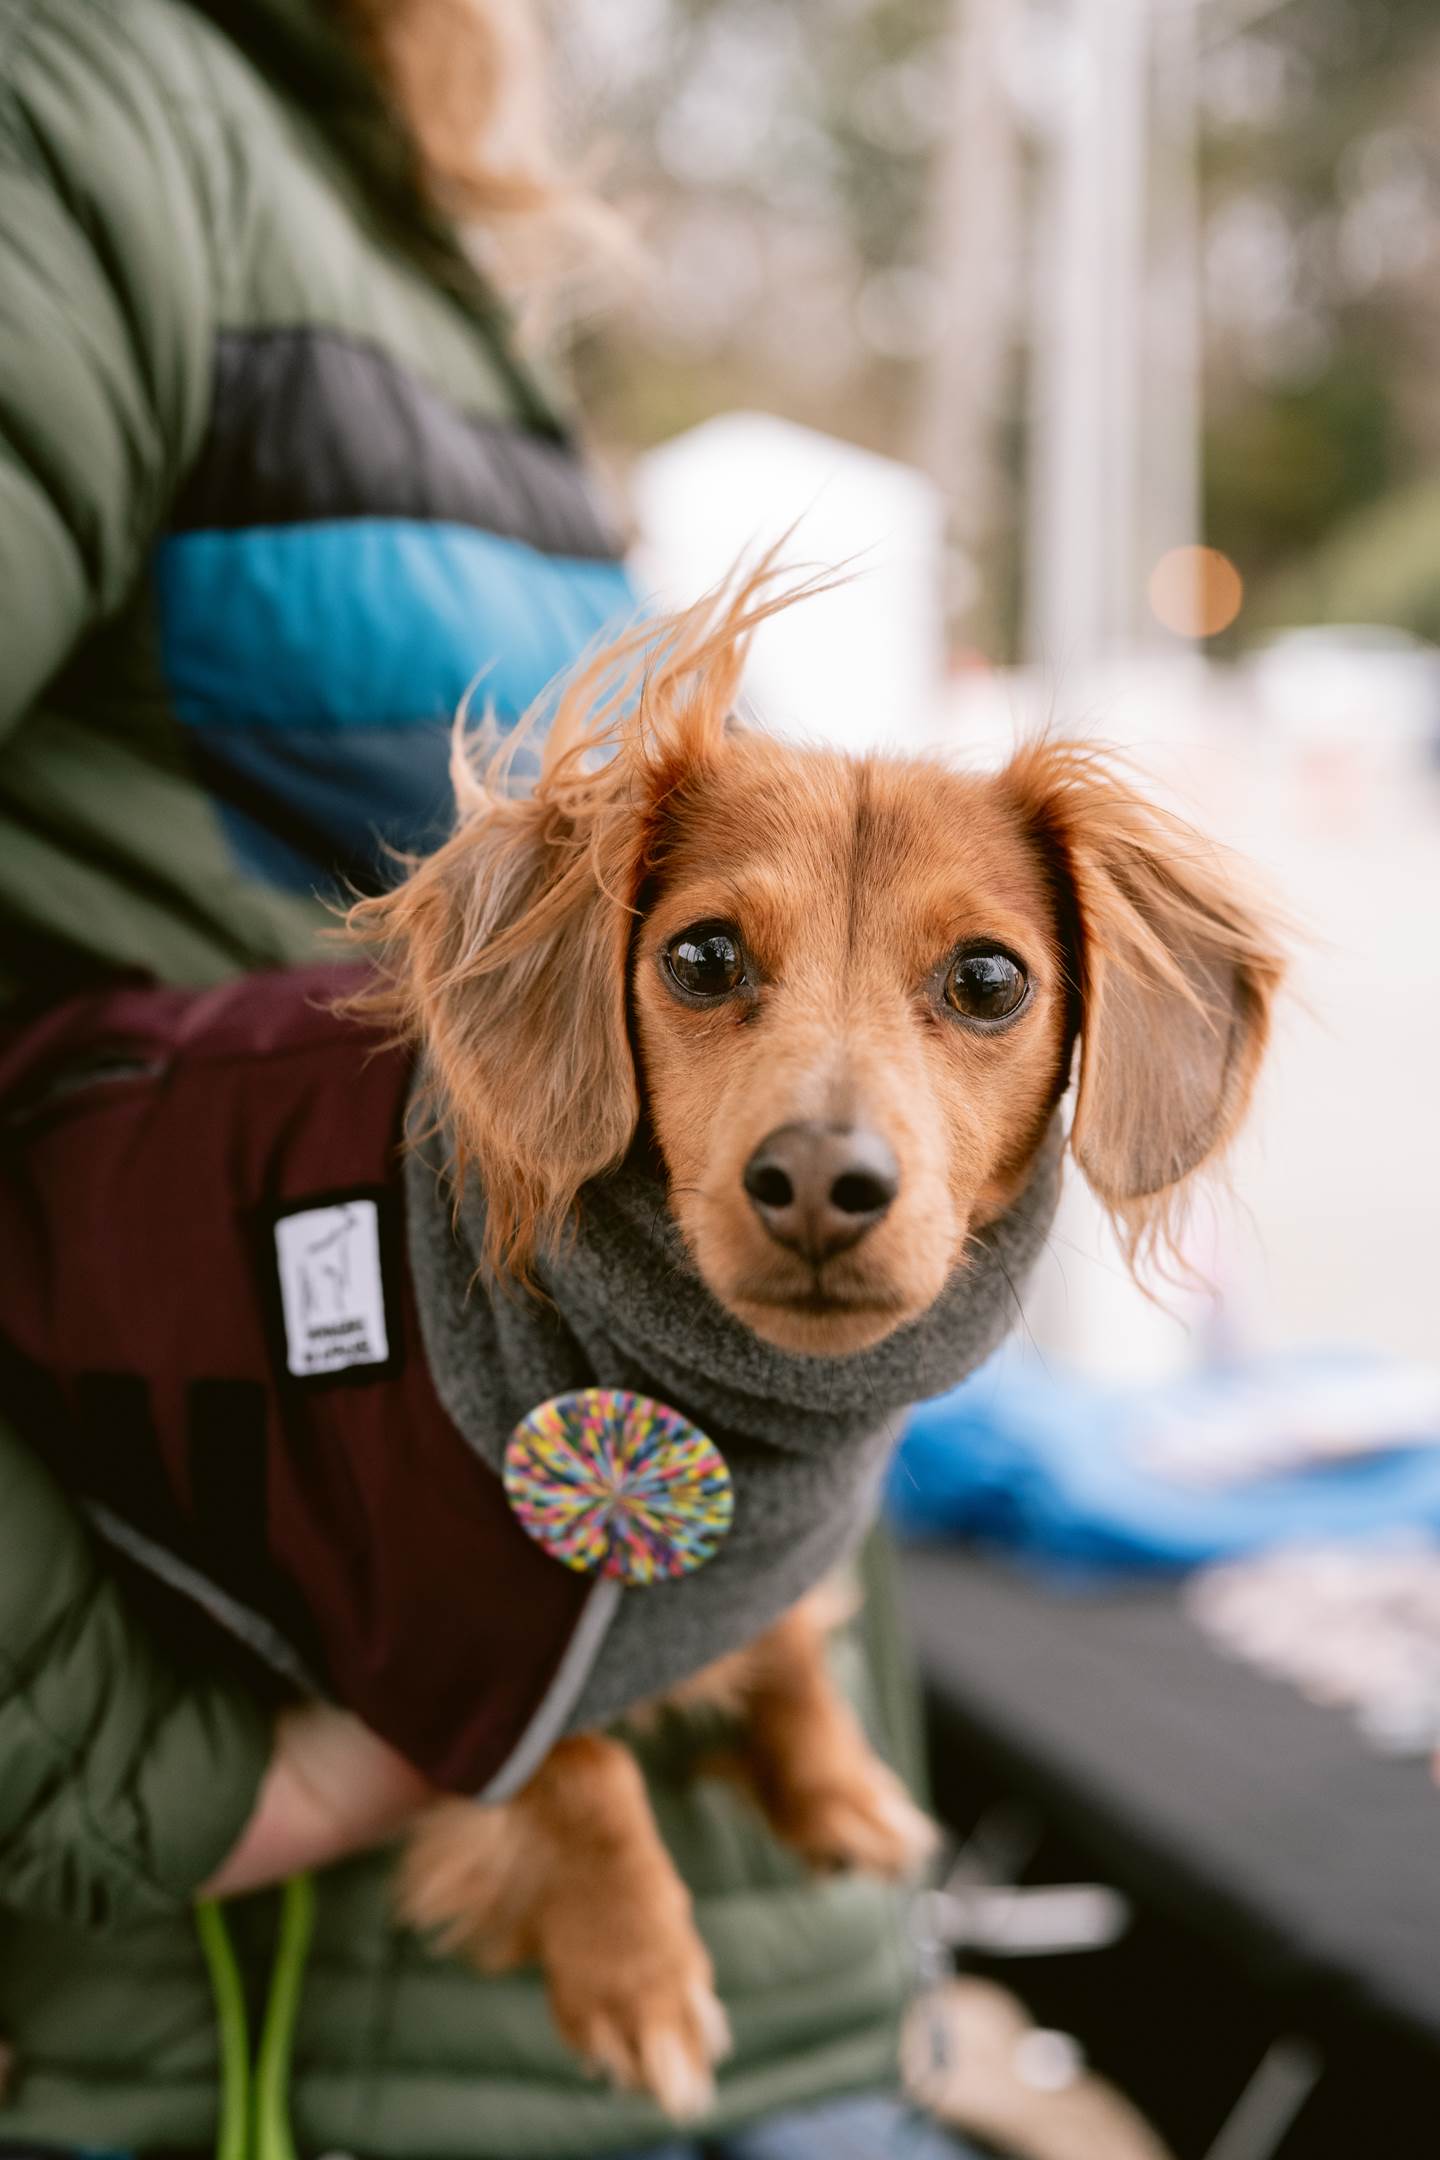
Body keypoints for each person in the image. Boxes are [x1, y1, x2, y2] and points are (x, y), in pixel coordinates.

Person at [0, 1, 966, 2152]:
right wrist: (118, 1765)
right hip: (310, 2056)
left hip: (783, 2001)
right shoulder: (77, 105)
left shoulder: (418, 254)